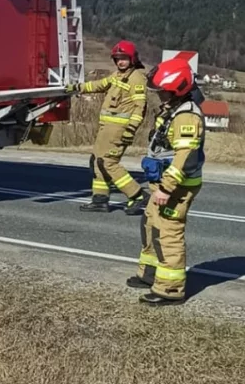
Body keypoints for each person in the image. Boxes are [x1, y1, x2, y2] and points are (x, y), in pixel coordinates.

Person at [130, 58, 204, 305]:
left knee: (168, 232)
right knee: (151, 224)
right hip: (162, 182)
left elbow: (185, 157)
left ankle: (170, 289)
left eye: (163, 90)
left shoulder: (186, 117)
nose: (160, 94)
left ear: (177, 89)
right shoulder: (173, 108)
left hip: (176, 186)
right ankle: (150, 274)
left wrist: (166, 188)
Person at [67, 40, 148, 214]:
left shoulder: (137, 78)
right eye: (117, 59)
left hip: (118, 129)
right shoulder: (117, 75)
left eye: (124, 58)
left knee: (108, 162)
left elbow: (140, 107)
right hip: (106, 127)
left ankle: (138, 195)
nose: (120, 62)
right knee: (97, 161)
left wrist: (131, 129)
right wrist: (77, 88)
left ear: (132, 59)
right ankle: (100, 199)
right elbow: (100, 85)